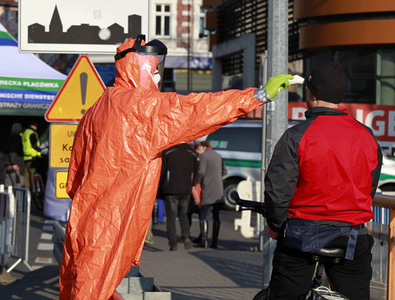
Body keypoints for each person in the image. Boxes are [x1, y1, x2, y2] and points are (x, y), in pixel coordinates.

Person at [59, 33, 294, 300]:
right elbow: (196, 110)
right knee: (91, 285)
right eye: (156, 66)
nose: (158, 75)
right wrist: (257, 95)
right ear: (140, 65)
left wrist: (88, 200)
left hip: (88, 212)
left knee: (85, 280)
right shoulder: (139, 107)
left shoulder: (98, 107)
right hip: (112, 216)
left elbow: (75, 174)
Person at [264, 62, 383, 300]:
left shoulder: (296, 135)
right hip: (352, 235)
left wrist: (276, 226)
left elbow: (278, 190)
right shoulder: (366, 136)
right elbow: (369, 185)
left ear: (311, 93)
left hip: (301, 235)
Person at [159, 143, 198, 251]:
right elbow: (195, 172)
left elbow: (162, 172)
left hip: (170, 189)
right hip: (186, 189)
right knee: (183, 215)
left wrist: (162, 186)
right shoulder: (192, 153)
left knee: (171, 218)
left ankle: (173, 244)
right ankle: (186, 236)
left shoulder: (167, 152)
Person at [194, 140, 226, 249]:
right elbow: (224, 172)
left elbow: (201, 172)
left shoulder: (204, 156)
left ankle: (204, 241)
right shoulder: (218, 155)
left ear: (203, 147)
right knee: (216, 216)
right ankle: (215, 242)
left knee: (203, 214)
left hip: (207, 188)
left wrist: (197, 181)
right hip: (218, 189)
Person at [4, 122, 25, 187]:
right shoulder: (16, 139)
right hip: (15, 165)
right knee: (18, 185)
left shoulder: (8, 138)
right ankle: (17, 198)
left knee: (9, 185)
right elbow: (13, 152)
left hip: (7, 165)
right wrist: (14, 163)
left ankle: (10, 197)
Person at [21, 122, 41, 190]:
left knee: (26, 176)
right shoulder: (32, 133)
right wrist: (40, 150)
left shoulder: (24, 133)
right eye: (35, 125)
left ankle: (27, 192)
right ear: (32, 125)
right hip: (33, 157)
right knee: (33, 176)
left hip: (26, 157)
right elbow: (34, 145)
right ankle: (33, 193)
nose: (36, 127)